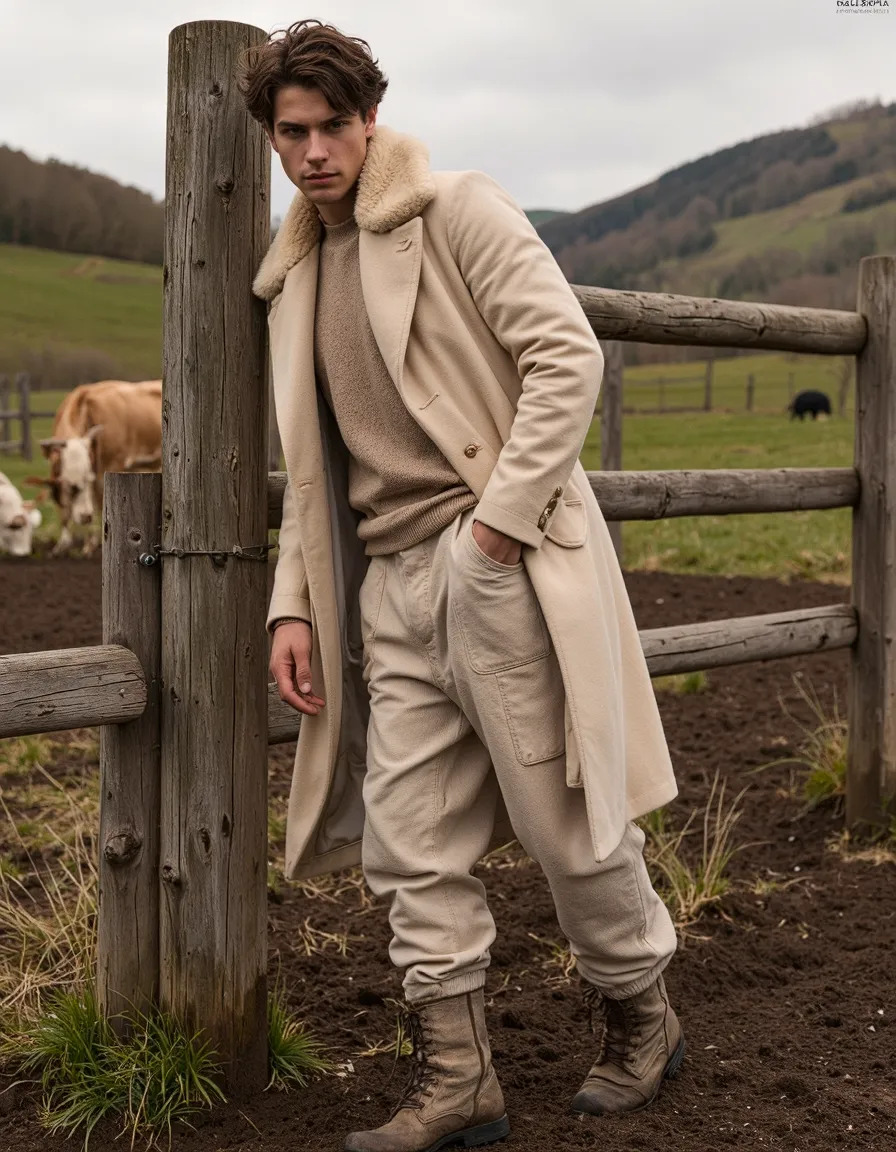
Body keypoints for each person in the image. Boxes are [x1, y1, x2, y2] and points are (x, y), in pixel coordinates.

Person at [238, 20, 684, 1152]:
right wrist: (295, 600)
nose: (315, 150)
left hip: (495, 565)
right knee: (406, 839)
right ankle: (458, 1080)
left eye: (333, 125)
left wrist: (494, 534)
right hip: (382, 588)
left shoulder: (454, 211)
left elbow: (565, 356)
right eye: (292, 133)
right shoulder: (292, 273)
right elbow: (312, 470)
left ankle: (642, 1019)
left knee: (567, 821)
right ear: (272, 143)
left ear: (368, 117)